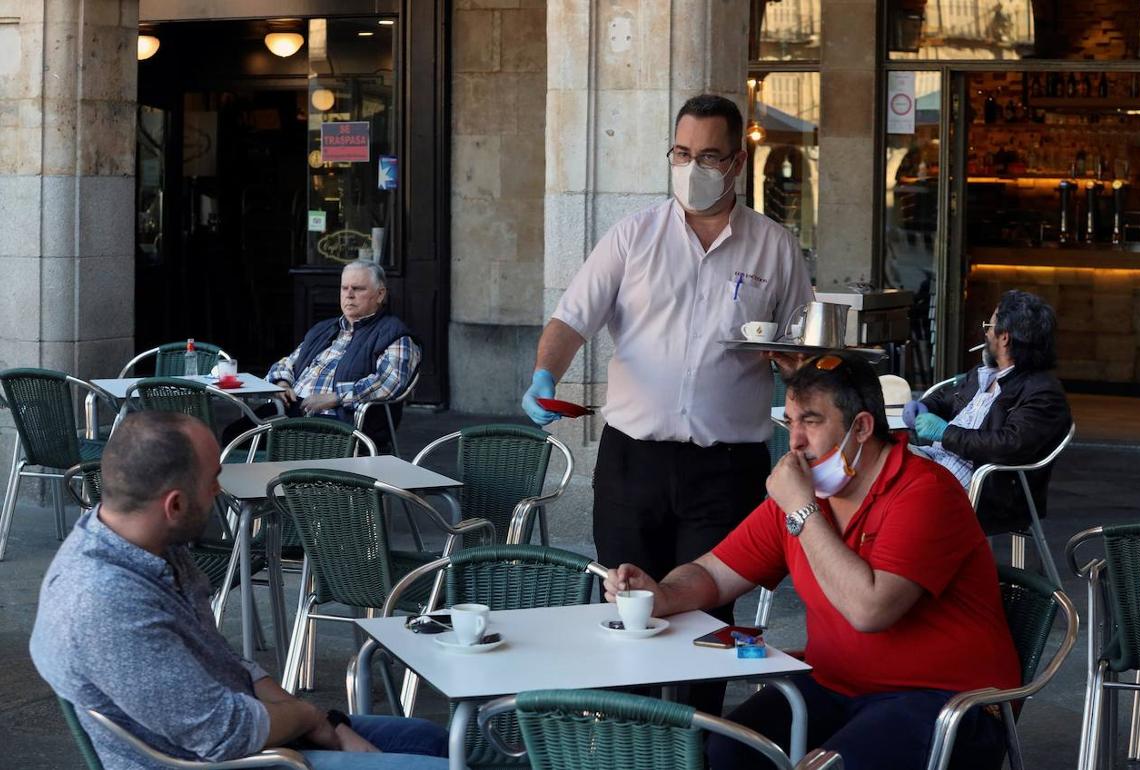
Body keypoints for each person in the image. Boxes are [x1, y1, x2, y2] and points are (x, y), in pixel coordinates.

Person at [604, 355, 1020, 769]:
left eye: (812, 421)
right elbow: (714, 572)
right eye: (790, 422)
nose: (795, 440)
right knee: (722, 754)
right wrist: (662, 595)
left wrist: (802, 510)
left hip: (945, 701)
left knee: (828, 767)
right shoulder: (806, 491)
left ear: (861, 427)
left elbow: (870, 610)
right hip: (833, 686)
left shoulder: (924, 491)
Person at [520, 94, 813, 639]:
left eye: (708, 156)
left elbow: (800, 352)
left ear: (736, 163)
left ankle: (696, 726)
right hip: (633, 463)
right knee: (626, 609)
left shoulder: (775, 248)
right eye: (681, 154)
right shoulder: (634, 236)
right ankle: (630, 725)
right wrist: (545, 376)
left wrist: (797, 370)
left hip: (726, 470)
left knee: (706, 623)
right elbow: (571, 320)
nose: (691, 168)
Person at [30, 411, 449, 769]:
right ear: (174, 505)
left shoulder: (153, 544)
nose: (219, 490)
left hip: (258, 730)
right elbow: (225, 734)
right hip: (231, 760)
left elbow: (227, 661)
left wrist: (323, 723)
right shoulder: (105, 603)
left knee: (433, 740)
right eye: (213, 480)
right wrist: (309, 717)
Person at [904, 289, 1071, 535]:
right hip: (939, 463)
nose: (986, 332)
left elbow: (1009, 444)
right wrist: (925, 406)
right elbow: (947, 397)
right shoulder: (986, 373)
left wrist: (944, 432)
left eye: (989, 326)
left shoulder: (1043, 393)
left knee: (897, 500)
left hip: (989, 488)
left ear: (1004, 338)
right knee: (878, 464)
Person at [224, 260, 419, 453]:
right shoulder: (324, 329)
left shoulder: (395, 335)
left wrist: (336, 397)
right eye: (344, 288)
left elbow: (389, 383)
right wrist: (282, 382)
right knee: (233, 435)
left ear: (380, 294)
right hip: (292, 411)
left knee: (270, 444)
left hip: (341, 421)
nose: (349, 295)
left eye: (358, 289)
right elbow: (288, 362)